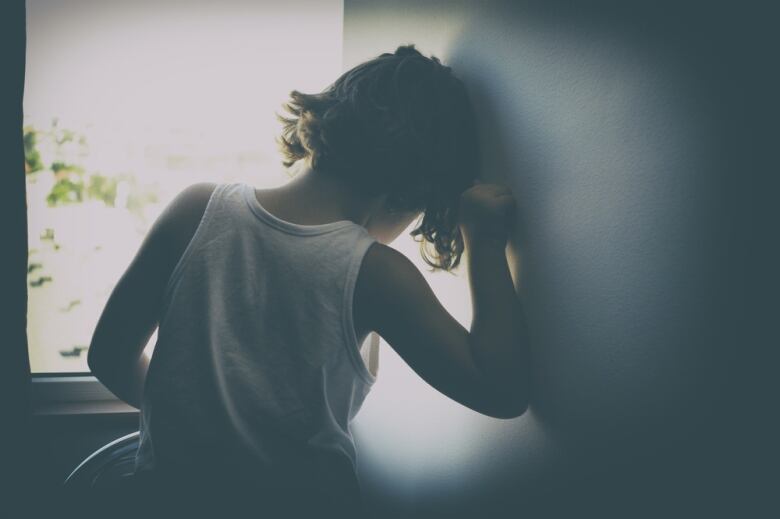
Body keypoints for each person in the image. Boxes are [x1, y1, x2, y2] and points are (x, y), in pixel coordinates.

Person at [87, 44, 529, 518]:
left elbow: (108, 357)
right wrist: (483, 243)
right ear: (412, 190)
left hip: (167, 501)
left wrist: (193, 423)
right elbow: (500, 392)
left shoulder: (195, 208)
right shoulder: (375, 272)